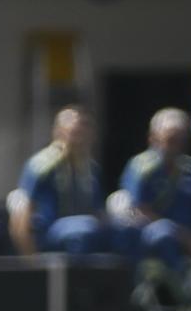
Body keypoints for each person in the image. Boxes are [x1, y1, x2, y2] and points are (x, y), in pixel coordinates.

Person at [113, 106, 191, 294]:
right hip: (151, 234)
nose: (176, 146)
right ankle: (185, 293)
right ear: (154, 138)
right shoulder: (141, 167)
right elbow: (137, 209)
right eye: (170, 140)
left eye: (181, 140)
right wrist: (180, 234)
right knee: (164, 234)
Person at [11, 105, 117, 256]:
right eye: (74, 134)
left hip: (86, 227)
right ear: (58, 133)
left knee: (122, 232)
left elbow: (98, 211)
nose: (80, 140)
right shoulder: (41, 166)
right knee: (84, 229)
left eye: (84, 133)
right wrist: (30, 259)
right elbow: (21, 215)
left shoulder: (91, 169)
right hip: (50, 233)